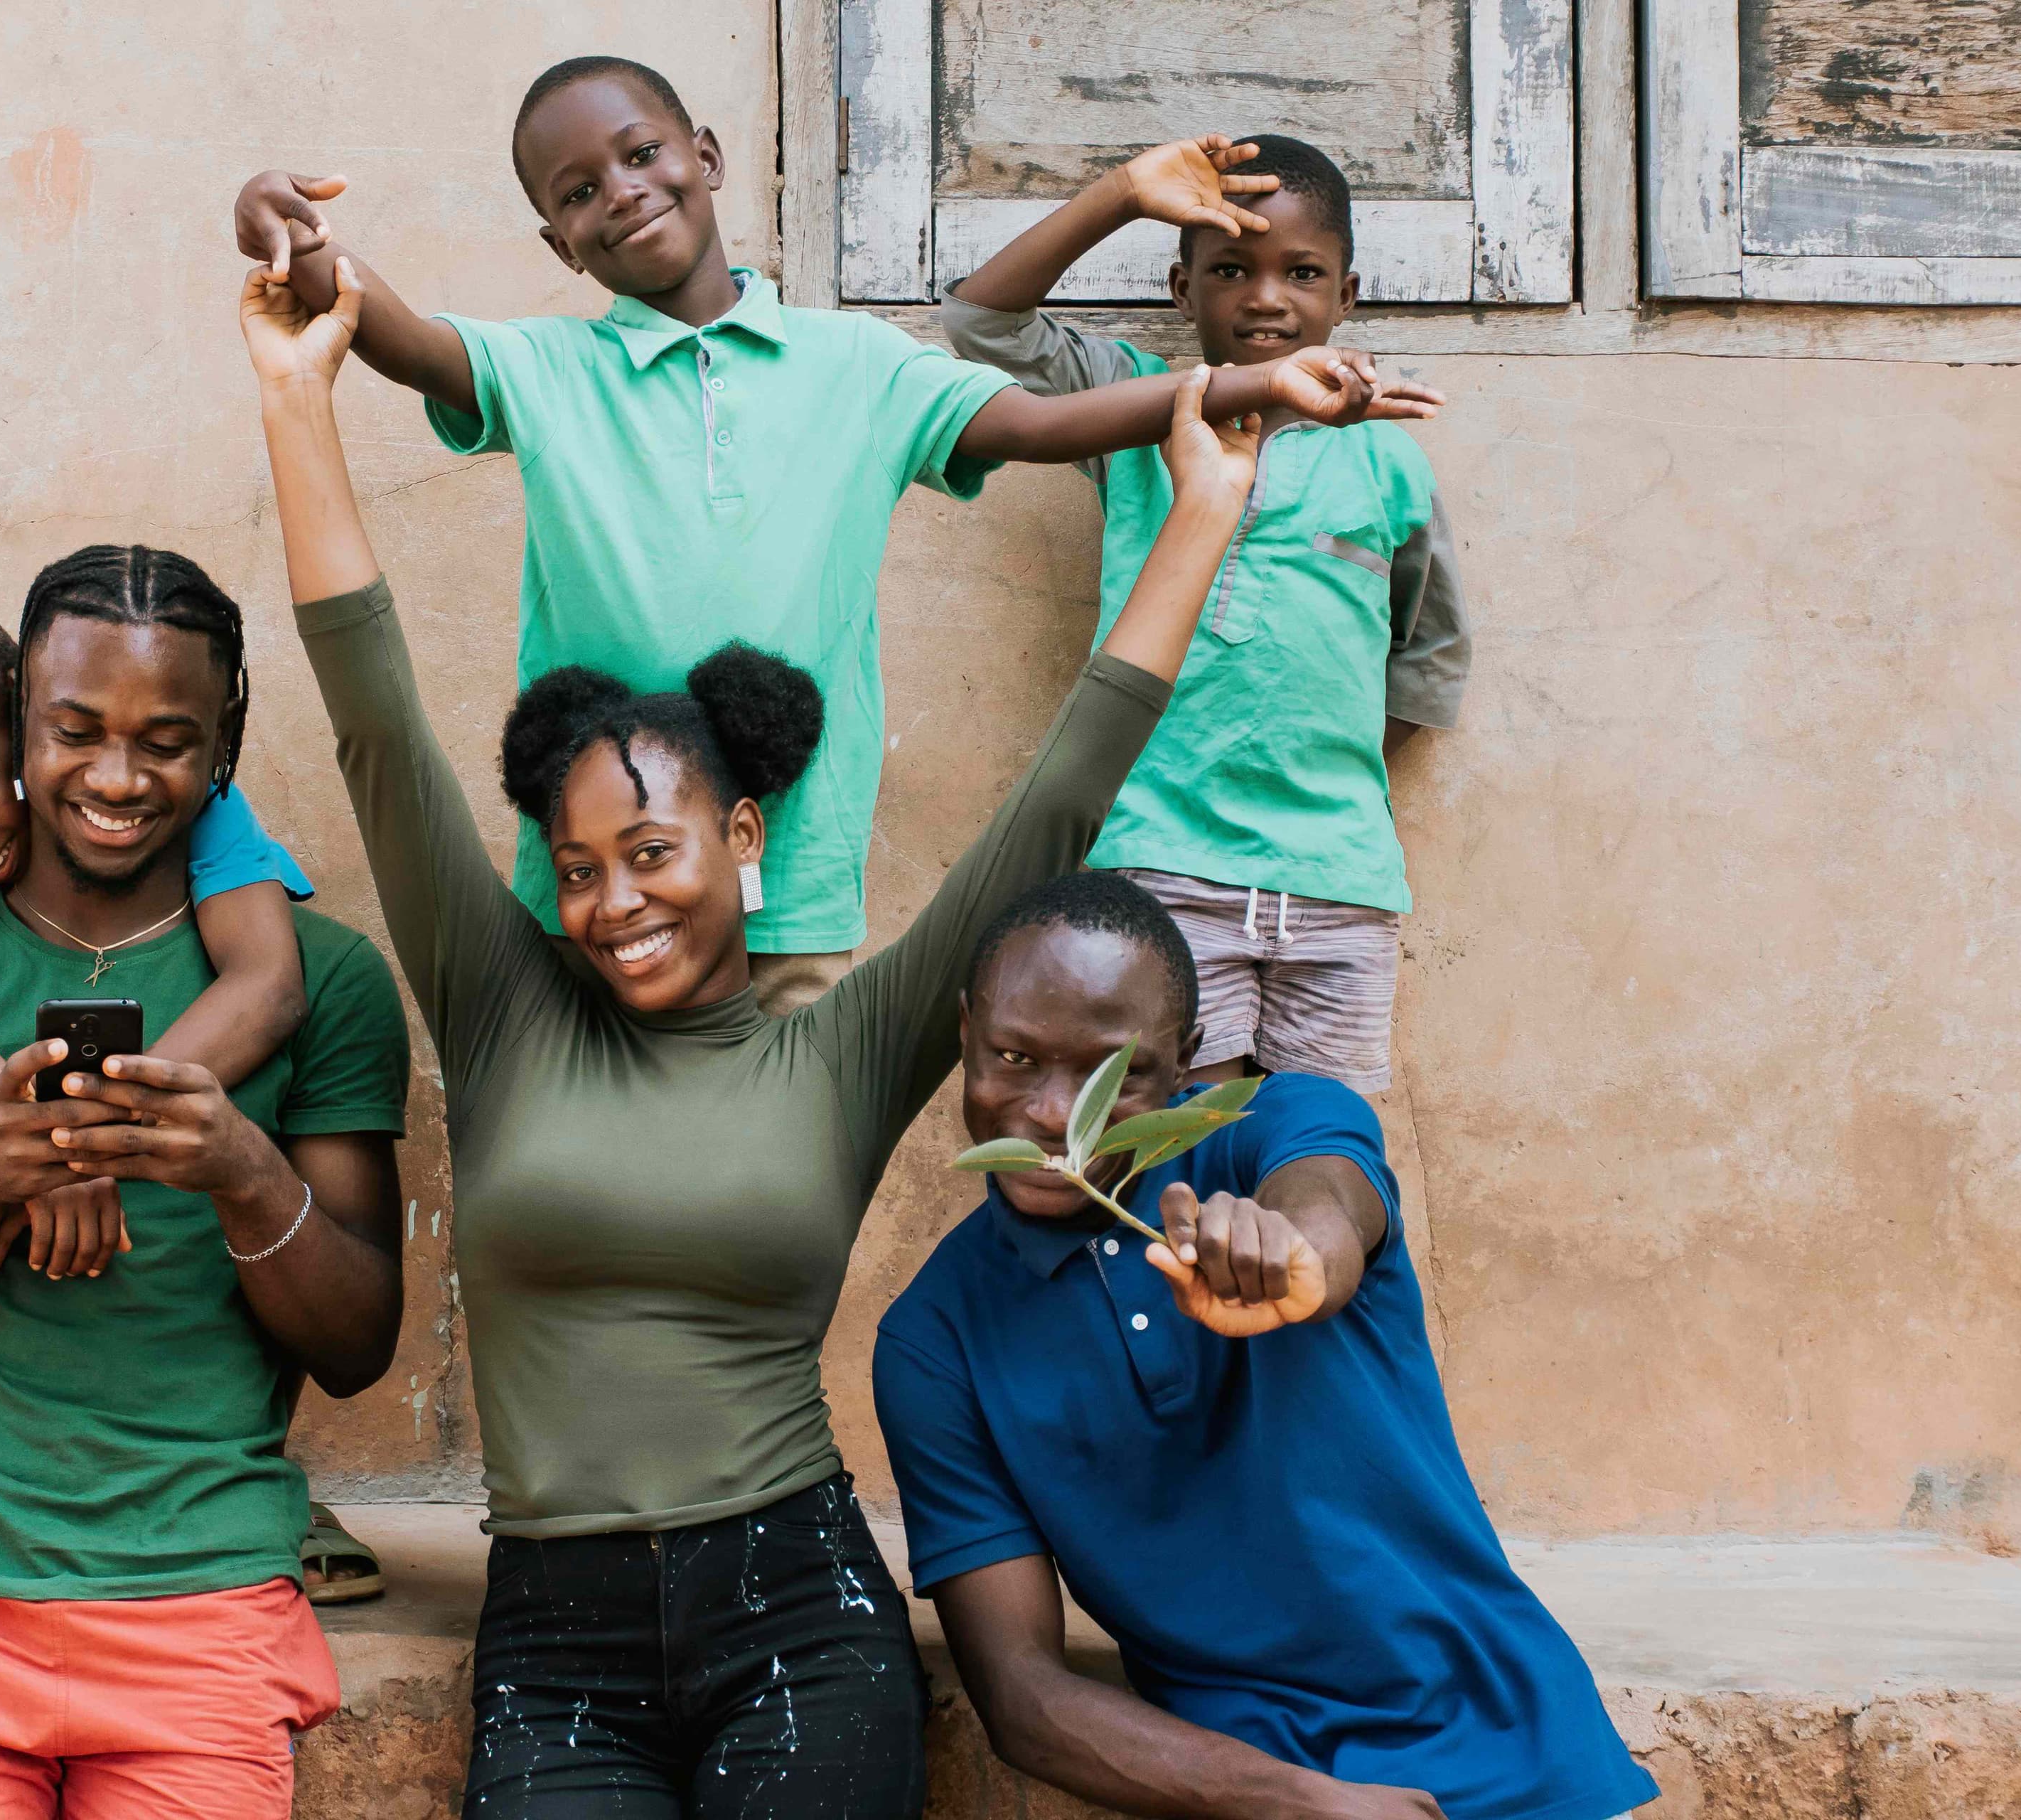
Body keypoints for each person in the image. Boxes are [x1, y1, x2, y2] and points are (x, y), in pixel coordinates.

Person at [240, 251, 1260, 1816]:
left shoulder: (842, 1053)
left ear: (747, 838)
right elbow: (372, 707)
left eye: (655, 853)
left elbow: (1063, 789)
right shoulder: (503, 1009)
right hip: (557, 1644)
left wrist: (1201, 506)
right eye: (577, 868)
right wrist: (299, 394)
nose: (613, 901)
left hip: (797, 1610)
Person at [234, 67, 1440, 1013]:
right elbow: (394, 335)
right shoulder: (545, 369)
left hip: (794, 900)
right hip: (593, 897)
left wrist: (1253, 388)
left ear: (703, 157)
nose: (621, 191)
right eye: (578, 191)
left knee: (771, 1204)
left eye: (642, 154)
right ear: (561, 244)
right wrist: (289, 236)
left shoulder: (859, 365)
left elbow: (1044, 419)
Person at [0, 545, 412, 1816]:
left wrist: (239, 1171)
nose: (117, 778)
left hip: (203, 1616)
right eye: (73, 732)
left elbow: (355, 1346)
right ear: (16, 716)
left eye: (169, 741)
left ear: (226, 743)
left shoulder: (324, 982)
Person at [871, 870, 1657, 1820]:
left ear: (1184, 1065)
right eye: (1013, 1056)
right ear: (965, 1033)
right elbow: (1023, 1696)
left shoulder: (1276, 1128)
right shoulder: (933, 1341)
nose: (1050, 1114)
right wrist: (1301, 1804)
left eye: (1108, 1076)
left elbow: (1328, 1204)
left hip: (1523, 1755)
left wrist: (1293, 1259)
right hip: (1259, 1788)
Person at [945, 135, 1474, 1093]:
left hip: (1338, 882)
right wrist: (1118, 195)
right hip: (1163, 870)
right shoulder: (1140, 408)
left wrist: (1308, 766)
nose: (1266, 296)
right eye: (1231, 268)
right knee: (1183, 1149)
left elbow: (1427, 658)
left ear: (1346, 295)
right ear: (1183, 292)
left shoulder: (1392, 459)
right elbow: (984, 322)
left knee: (1323, 1147)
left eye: (1301, 273)